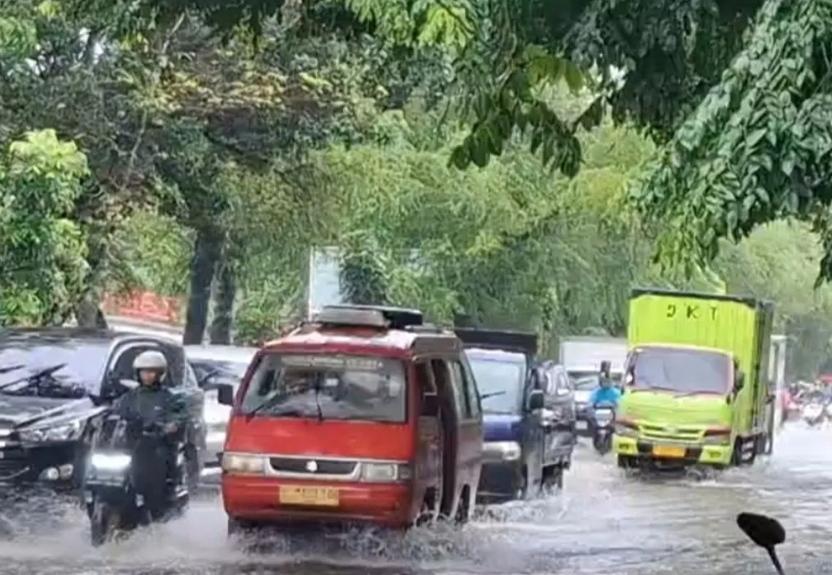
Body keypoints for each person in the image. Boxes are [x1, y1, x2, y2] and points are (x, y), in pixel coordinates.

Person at [114, 351, 188, 497]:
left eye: (151, 372)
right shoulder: (129, 397)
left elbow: (178, 419)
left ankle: (159, 497)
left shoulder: (170, 398)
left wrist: (167, 427)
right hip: (129, 444)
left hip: (157, 445)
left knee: (160, 459)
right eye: (144, 371)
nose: (147, 375)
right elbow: (117, 413)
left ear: (160, 374)